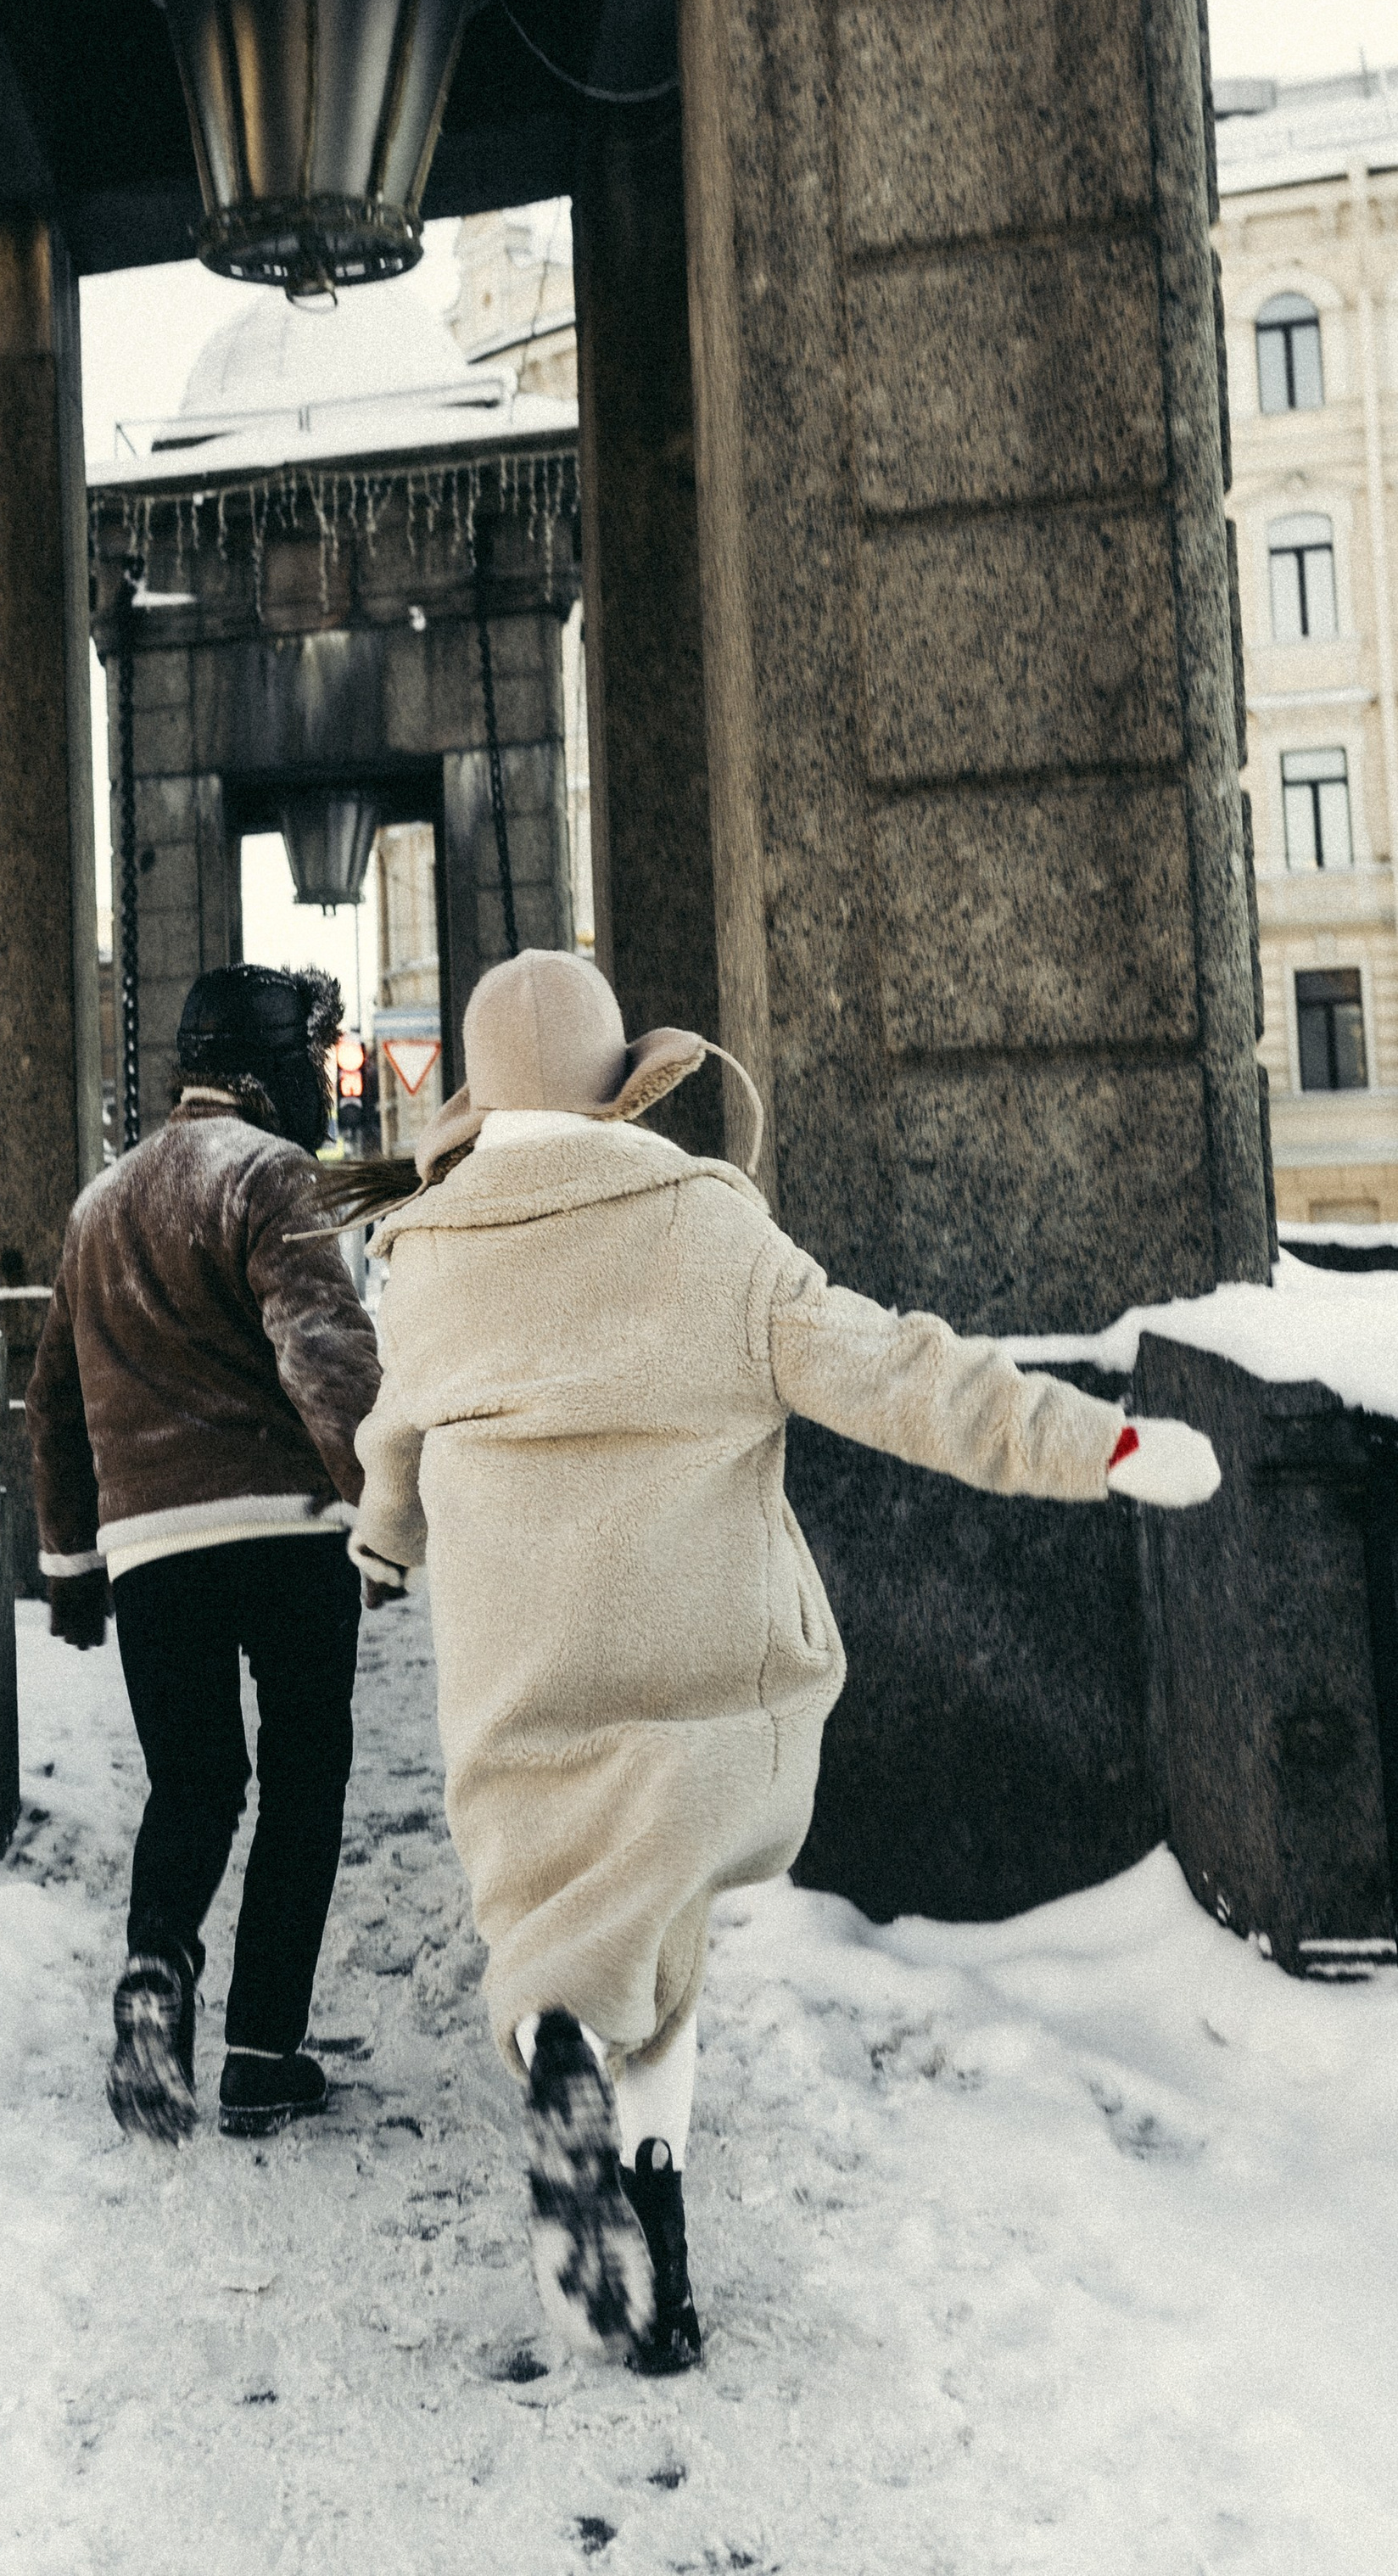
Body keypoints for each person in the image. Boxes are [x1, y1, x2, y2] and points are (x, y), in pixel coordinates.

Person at [343, 949, 1222, 2377]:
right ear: (625, 1092)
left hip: (515, 1682)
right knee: (668, 1942)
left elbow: (393, 1444)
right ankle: (661, 2261)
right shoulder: (709, 1236)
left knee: (563, 1947)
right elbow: (909, 1377)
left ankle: (557, 2066)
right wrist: (1103, 1446)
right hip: (702, 1675)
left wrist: (382, 1549)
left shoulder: (427, 1263)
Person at [26, 961, 385, 2145]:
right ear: (269, 1065)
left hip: (152, 1554)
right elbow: (323, 1351)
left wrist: (73, 1566)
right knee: (301, 1779)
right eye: (311, 1061)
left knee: (193, 1783)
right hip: (285, 1534)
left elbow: (57, 1406)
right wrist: (382, 1509)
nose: (322, 1084)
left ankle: (155, 1968)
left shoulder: (98, 1206)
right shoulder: (271, 1174)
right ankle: (261, 2052)